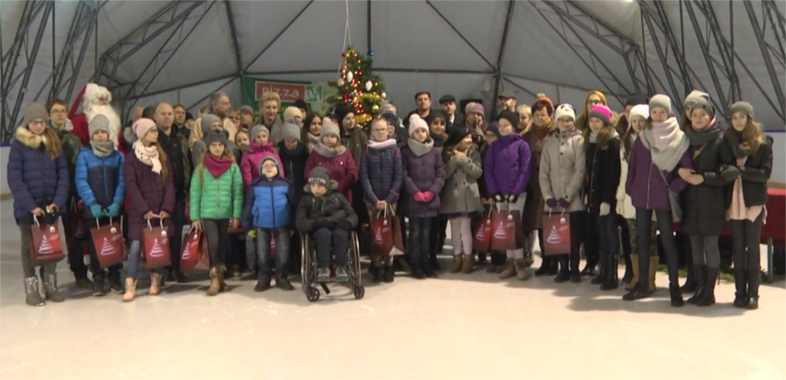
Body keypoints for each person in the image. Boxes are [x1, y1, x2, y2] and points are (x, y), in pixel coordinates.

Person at [622, 94, 693, 306]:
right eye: (655, 112)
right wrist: (631, 188)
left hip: (664, 197)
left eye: (662, 111)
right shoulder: (644, 137)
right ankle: (643, 283)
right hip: (641, 196)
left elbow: (688, 171)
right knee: (643, 240)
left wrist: (674, 187)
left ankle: (674, 287)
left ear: (669, 112)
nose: (659, 116)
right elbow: (633, 164)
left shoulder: (679, 139)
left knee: (668, 242)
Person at [8, 103, 69, 306]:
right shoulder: (19, 145)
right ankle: (31, 289)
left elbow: (63, 175)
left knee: (50, 245)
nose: (39, 126)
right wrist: (30, 205)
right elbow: (14, 177)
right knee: (28, 248)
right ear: (28, 123)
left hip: (50, 205)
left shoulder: (53, 141)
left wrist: (58, 201)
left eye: (42, 121)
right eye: (35, 122)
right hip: (29, 208)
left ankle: (50, 284)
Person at [681, 98, 735, 306]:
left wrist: (704, 178)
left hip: (712, 201)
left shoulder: (721, 140)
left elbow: (728, 172)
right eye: (694, 115)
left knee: (710, 245)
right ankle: (701, 287)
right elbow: (676, 163)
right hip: (690, 200)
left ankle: (709, 291)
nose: (698, 118)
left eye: (703, 114)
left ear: (711, 115)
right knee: (695, 245)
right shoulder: (686, 139)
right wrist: (680, 171)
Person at [721, 101, 773, 310]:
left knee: (752, 248)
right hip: (733, 198)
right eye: (734, 117)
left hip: (752, 200)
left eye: (742, 117)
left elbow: (765, 174)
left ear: (749, 118)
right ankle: (739, 292)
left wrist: (741, 172)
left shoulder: (762, 143)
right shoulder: (727, 140)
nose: (738, 121)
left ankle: (754, 294)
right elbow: (722, 165)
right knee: (737, 247)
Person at [122, 118, 175, 302]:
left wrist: (167, 207)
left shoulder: (161, 155)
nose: (156, 133)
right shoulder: (131, 158)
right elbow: (131, 185)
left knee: (159, 244)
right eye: (152, 130)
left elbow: (169, 182)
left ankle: (156, 279)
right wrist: (144, 209)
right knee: (136, 246)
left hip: (160, 210)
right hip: (140, 212)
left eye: (156, 130)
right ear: (142, 133)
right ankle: (131, 283)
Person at [74, 115, 126, 296]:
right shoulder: (85, 155)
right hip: (93, 209)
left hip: (113, 207)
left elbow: (122, 181)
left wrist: (117, 202)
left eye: (103, 132)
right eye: (97, 133)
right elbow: (81, 180)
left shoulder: (118, 156)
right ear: (91, 135)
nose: (100, 136)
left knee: (114, 240)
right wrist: (92, 203)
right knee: (96, 244)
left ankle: (114, 276)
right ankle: (98, 276)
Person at [189, 130, 244, 296]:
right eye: (214, 145)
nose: (217, 148)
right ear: (208, 147)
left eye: (220, 145)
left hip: (225, 212)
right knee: (213, 244)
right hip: (208, 213)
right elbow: (195, 192)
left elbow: (238, 192)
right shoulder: (201, 167)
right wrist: (195, 216)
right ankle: (214, 278)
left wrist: (236, 214)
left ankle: (220, 278)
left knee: (222, 245)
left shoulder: (232, 167)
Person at [540, 104, 586, 283]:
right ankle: (563, 268)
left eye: (569, 120)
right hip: (553, 200)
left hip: (572, 201)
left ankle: (575, 268)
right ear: (556, 121)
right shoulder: (549, 143)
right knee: (558, 235)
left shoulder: (579, 141)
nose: (566, 123)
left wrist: (568, 196)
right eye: (562, 120)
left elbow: (579, 170)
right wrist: (548, 196)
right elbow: (543, 172)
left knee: (573, 236)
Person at [47, 98, 90, 288]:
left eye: (62, 111)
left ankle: (79, 273)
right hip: (49, 196)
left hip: (71, 195)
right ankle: (48, 279)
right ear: (49, 114)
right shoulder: (44, 138)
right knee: (47, 238)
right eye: (55, 111)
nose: (59, 114)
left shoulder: (73, 139)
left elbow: (79, 167)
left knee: (75, 236)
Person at [485, 111, 532, 280]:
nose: (503, 128)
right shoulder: (494, 147)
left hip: (517, 194)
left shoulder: (522, 145)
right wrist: (495, 192)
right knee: (504, 227)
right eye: (501, 125)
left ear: (513, 126)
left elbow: (525, 170)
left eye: (507, 125)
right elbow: (488, 169)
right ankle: (509, 261)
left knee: (515, 227)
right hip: (500, 194)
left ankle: (519, 261)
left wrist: (515, 192)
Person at [617, 105, 658, 293]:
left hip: (650, 198)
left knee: (649, 239)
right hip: (629, 197)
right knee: (634, 238)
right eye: (634, 121)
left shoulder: (654, 141)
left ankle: (649, 278)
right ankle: (636, 275)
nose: (638, 124)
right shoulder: (624, 143)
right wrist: (619, 197)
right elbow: (622, 173)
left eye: (642, 120)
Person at [402, 114, 446, 280]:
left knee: (427, 233)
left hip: (430, 201)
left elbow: (441, 173)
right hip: (414, 200)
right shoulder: (406, 152)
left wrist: (432, 191)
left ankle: (426, 262)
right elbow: (404, 174)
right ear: (411, 134)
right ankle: (414, 262)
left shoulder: (434, 152)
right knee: (415, 233)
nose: (421, 134)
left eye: (423, 131)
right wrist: (415, 192)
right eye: (417, 131)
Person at [296, 167, 359, 282]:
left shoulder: (338, 197)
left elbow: (353, 215)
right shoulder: (306, 200)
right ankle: (323, 268)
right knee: (323, 234)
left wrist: (347, 223)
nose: (316, 188)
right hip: (318, 229)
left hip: (338, 226)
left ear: (327, 185)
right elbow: (300, 222)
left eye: (319, 185)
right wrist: (315, 223)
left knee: (341, 234)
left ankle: (341, 267)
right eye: (313, 185)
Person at [583, 105, 622, 290]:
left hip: (608, 198)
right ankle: (603, 270)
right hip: (594, 197)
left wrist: (607, 200)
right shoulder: (592, 142)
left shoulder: (612, 142)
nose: (594, 124)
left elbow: (612, 174)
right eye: (591, 120)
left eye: (598, 120)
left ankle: (612, 274)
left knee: (610, 233)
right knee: (601, 234)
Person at [360, 116, 403, 282]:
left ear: (388, 131)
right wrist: (373, 199)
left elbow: (398, 176)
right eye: (376, 130)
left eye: (382, 129)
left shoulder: (395, 150)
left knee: (389, 233)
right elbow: (364, 176)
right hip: (372, 201)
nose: (380, 133)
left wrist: (389, 198)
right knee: (376, 234)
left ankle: (389, 266)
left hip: (390, 200)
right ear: (371, 132)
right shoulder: (367, 150)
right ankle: (377, 266)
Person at [242, 155, 294, 292]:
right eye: (266, 166)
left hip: (282, 223)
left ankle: (281, 277)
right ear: (261, 170)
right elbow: (248, 206)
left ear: (278, 168)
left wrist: (293, 224)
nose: (269, 167)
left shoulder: (285, 184)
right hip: (261, 225)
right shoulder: (255, 185)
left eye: (272, 165)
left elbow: (292, 204)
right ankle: (264, 278)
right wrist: (247, 225)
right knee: (262, 254)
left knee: (283, 252)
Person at [441, 128, 483, 274]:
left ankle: (468, 257)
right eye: (466, 137)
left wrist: (466, 161)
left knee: (465, 228)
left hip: (468, 195)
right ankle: (457, 256)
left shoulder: (474, 153)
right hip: (452, 195)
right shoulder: (447, 154)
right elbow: (444, 174)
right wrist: (453, 162)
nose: (469, 140)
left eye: (470, 137)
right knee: (454, 228)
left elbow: (478, 173)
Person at [523, 94, 556, 274]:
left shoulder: (556, 133)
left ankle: (554, 262)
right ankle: (544, 261)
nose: (540, 118)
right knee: (537, 224)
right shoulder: (527, 135)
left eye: (544, 115)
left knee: (550, 225)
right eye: (537, 115)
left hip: (550, 185)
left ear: (550, 115)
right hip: (532, 185)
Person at [278, 121, 310, 274]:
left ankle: (302, 260)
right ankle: (288, 263)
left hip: (302, 197)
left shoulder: (305, 154)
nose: (291, 144)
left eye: (294, 141)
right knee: (286, 231)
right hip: (284, 198)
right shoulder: (278, 154)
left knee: (301, 231)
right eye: (288, 141)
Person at [304, 118, 358, 207]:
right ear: (322, 137)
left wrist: (341, 186)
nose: (329, 139)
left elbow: (352, 171)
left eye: (332, 136)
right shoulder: (315, 153)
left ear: (337, 138)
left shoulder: (345, 153)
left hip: (342, 197)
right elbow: (308, 173)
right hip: (320, 197)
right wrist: (319, 186)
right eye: (327, 136)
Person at [480, 122, 506, 272]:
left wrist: (496, 195)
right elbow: (483, 176)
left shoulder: (502, 151)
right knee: (492, 229)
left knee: (501, 228)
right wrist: (485, 195)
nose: (489, 139)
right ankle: (494, 259)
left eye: (492, 136)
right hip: (487, 195)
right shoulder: (485, 150)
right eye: (487, 136)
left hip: (501, 195)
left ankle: (502, 259)